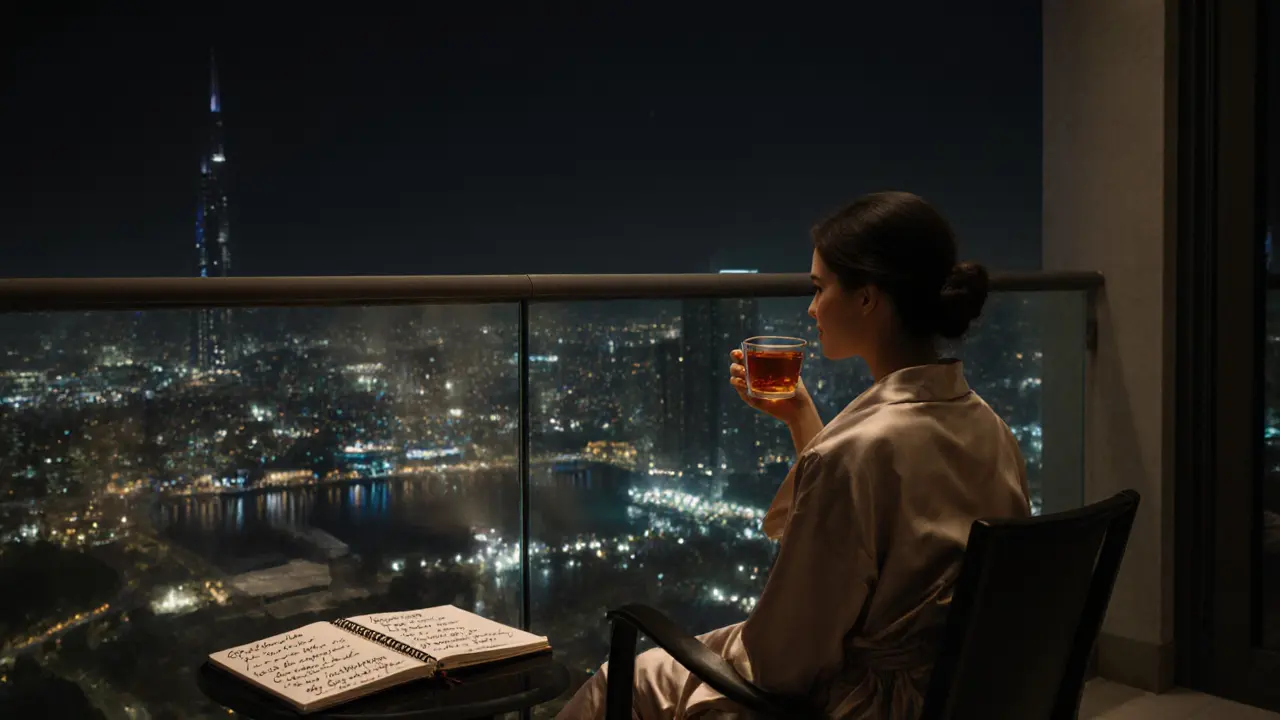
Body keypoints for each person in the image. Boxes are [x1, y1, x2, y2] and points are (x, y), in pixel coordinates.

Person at [557, 191, 1030, 719]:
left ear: (868, 297)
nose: (810, 307)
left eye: (819, 288)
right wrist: (802, 418)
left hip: (861, 704)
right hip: (965, 695)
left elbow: (783, 662)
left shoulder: (856, 451)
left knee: (618, 682)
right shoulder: (991, 429)